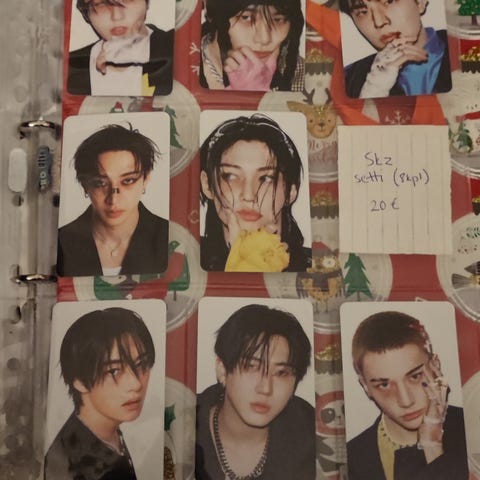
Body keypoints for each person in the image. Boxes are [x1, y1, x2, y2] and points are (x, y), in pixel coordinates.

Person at [195, 304, 316, 479]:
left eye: (281, 373)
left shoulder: (314, 437)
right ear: (222, 370)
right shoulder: (178, 428)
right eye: (251, 367)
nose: (265, 389)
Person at [347, 311, 469, 480]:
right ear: (365, 386)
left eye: (415, 376)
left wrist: (432, 445)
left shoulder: (470, 428)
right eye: (384, 385)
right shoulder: (352, 457)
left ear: (435, 367)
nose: (406, 401)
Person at [44, 307, 155, 480]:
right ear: (79, 381)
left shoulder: (106, 434)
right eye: (113, 371)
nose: (136, 384)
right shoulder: (72, 465)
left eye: (141, 364)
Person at [200, 113, 311, 272]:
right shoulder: (182, 260)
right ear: (207, 185)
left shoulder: (317, 269)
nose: (249, 195)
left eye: (266, 178)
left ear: (291, 190)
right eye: (231, 176)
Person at [57, 123, 169, 277]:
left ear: (146, 178)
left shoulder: (171, 237)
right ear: (84, 184)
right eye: (100, 183)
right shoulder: (61, 241)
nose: (114, 199)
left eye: (128, 181)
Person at [339, 0, 452, 98]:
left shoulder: (460, 50)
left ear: (420, 2)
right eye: (363, 12)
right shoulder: (346, 81)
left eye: (389, 1)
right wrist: (373, 91)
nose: (379, 22)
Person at [68, 0, 174, 96]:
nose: (117, 16)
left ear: (146, 3)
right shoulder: (69, 68)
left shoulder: (177, 48)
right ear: (86, 13)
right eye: (101, 4)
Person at [200, 0, 305, 91]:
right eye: (246, 17)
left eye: (277, 19)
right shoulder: (190, 63)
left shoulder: (301, 73)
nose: (264, 39)